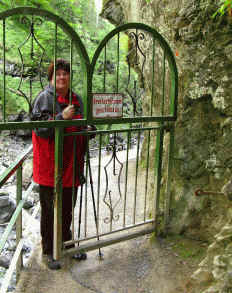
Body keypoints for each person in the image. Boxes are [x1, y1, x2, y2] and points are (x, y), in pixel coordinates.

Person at [31, 59, 94, 270]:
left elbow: (83, 124)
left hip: (72, 164)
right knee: (49, 210)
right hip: (50, 166)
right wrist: (60, 117)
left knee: (68, 207)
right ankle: (48, 250)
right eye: (58, 74)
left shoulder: (76, 99)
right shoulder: (43, 99)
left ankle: (66, 243)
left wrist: (88, 128)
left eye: (65, 74)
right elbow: (40, 129)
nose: (62, 77)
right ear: (51, 77)